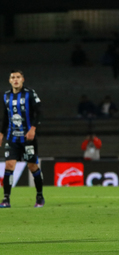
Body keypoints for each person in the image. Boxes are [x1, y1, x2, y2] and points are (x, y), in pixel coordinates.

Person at [0, 70, 44, 208]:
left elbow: (40, 112)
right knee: (9, 165)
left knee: (32, 166)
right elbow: (5, 117)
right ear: (9, 80)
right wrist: (1, 134)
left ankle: (39, 195)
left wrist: (33, 129)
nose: (15, 79)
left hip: (28, 138)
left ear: (23, 79)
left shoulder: (30, 93)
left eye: (18, 77)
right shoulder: (6, 96)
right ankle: (6, 199)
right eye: (13, 77)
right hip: (12, 138)